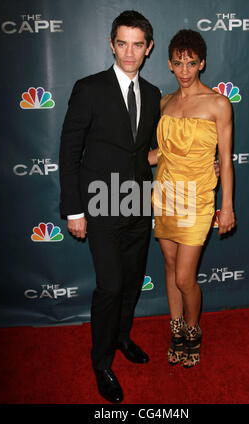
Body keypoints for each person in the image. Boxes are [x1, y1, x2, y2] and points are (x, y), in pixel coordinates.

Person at [59, 11, 161, 403]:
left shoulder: (152, 94)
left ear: (148, 48)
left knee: (133, 284)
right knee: (111, 286)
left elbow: (144, 152)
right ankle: (101, 362)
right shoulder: (89, 88)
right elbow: (69, 151)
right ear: (111, 44)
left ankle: (121, 339)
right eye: (122, 43)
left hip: (137, 204)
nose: (129, 52)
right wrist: (74, 210)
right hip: (99, 206)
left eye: (138, 44)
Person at [152, 29, 235, 368]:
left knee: (186, 277)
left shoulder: (218, 103)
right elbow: (161, 154)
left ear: (202, 63)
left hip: (199, 197)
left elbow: (226, 161)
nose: (184, 70)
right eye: (177, 63)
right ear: (170, 65)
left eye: (190, 63)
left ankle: (192, 329)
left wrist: (226, 206)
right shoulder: (165, 102)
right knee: (170, 268)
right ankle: (175, 330)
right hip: (165, 193)